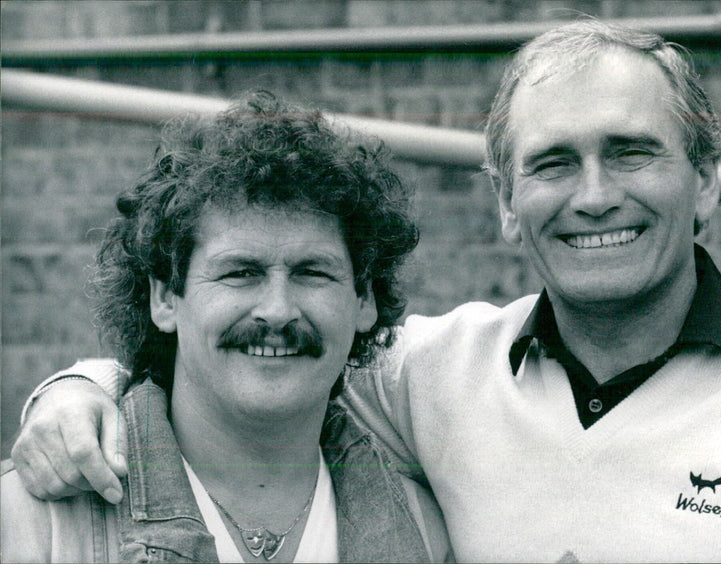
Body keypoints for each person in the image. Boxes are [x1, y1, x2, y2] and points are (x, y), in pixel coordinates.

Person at [9, 19, 721, 563]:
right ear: (505, 205)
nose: (593, 196)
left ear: (705, 183)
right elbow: (255, 368)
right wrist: (86, 387)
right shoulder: (434, 372)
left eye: (630, 153)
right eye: (553, 163)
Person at [1, 90, 452, 563]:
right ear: (164, 297)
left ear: (365, 300)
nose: (277, 311)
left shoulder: (424, 531)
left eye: (312, 272)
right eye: (241, 272)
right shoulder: (34, 520)